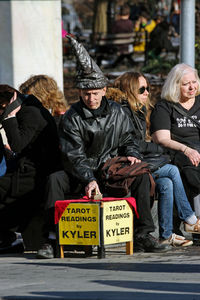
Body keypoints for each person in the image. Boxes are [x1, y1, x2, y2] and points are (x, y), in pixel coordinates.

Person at [37, 35, 171, 259]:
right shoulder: (72, 117)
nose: (91, 98)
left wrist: (132, 155)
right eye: (86, 94)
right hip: (80, 171)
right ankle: (51, 238)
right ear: (80, 93)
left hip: (110, 168)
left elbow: (128, 139)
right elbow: (73, 156)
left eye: (95, 92)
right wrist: (89, 178)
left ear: (104, 91)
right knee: (54, 179)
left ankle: (144, 234)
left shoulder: (118, 112)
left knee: (140, 176)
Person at [109, 71, 200, 246]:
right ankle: (189, 219)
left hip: (137, 160)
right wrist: (159, 148)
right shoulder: (124, 112)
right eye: (142, 89)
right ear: (130, 91)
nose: (147, 93)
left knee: (166, 183)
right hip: (124, 164)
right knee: (173, 169)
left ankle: (166, 234)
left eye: (148, 88)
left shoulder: (138, 111)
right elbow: (131, 144)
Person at [0, 85, 61, 253]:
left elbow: (17, 144)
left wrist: (9, 118)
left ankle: (7, 236)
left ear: (9, 103)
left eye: (2, 108)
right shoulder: (28, 109)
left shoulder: (30, 113)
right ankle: (6, 236)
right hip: (28, 169)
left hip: (35, 173)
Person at [150, 63, 200, 244]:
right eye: (186, 84)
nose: (192, 87)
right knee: (190, 171)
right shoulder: (165, 107)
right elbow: (161, 138)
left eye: (194, 82)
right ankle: (192, 222)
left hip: (198, 153)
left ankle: (190, 222)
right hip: (176, 153)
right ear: (175, 85)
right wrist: (186, 149)